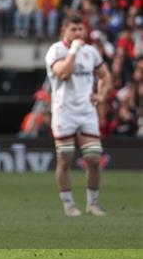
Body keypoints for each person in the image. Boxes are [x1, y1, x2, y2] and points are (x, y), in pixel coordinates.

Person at [45, 14, 111, 217]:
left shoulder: (91, 52)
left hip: (86, 112)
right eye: (73, 29)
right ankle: (68, 204)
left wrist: (100, 95)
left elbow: (105, 75)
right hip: (64, 112)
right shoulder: (56, 50)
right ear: (64, 31)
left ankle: (92, 202)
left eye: (80, 29)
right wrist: (73, 51)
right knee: (65, 158)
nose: (78, 33)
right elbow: (63, 73)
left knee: (93, 157)